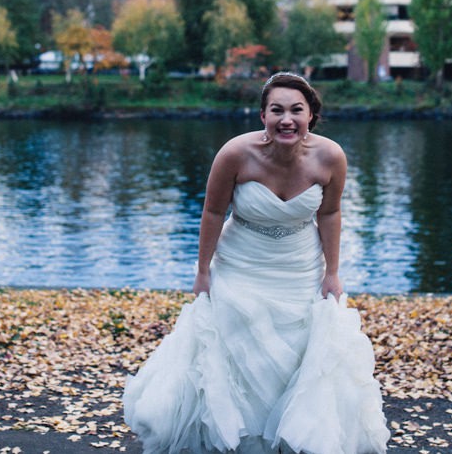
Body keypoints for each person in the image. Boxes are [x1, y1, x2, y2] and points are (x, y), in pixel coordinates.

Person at [123, 72, 389, 454]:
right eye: (276, 110)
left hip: (300, 267)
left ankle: (290, 437)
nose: (287, 119)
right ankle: (240, 436)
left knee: (300, 349)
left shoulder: (331, 156)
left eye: (296, 110)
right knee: (234, 344)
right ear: (262, 115)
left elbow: (330, 214)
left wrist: (332, 272)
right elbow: (213, 212)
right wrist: (202, 271)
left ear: (310, 115)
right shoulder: (235, 153)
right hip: (240, 263)